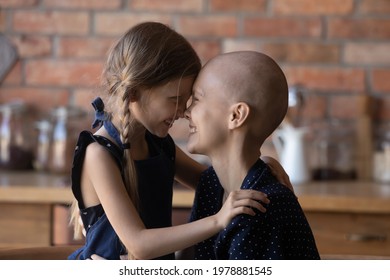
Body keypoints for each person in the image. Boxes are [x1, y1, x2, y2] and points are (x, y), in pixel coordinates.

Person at [68, 22, 289, 260]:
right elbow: (139, 245)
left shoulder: (158, 144)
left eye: (188, 100)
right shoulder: (99, 154)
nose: (184, 112)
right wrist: (218, 220)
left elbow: (213, 184)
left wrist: (260, 166)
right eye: (175, 99)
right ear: (133, 93)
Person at [186, 51, 320, 259]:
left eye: (196, 99)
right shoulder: (210, 184)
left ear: (236, 116)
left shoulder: (261, 208)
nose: (186, 112)